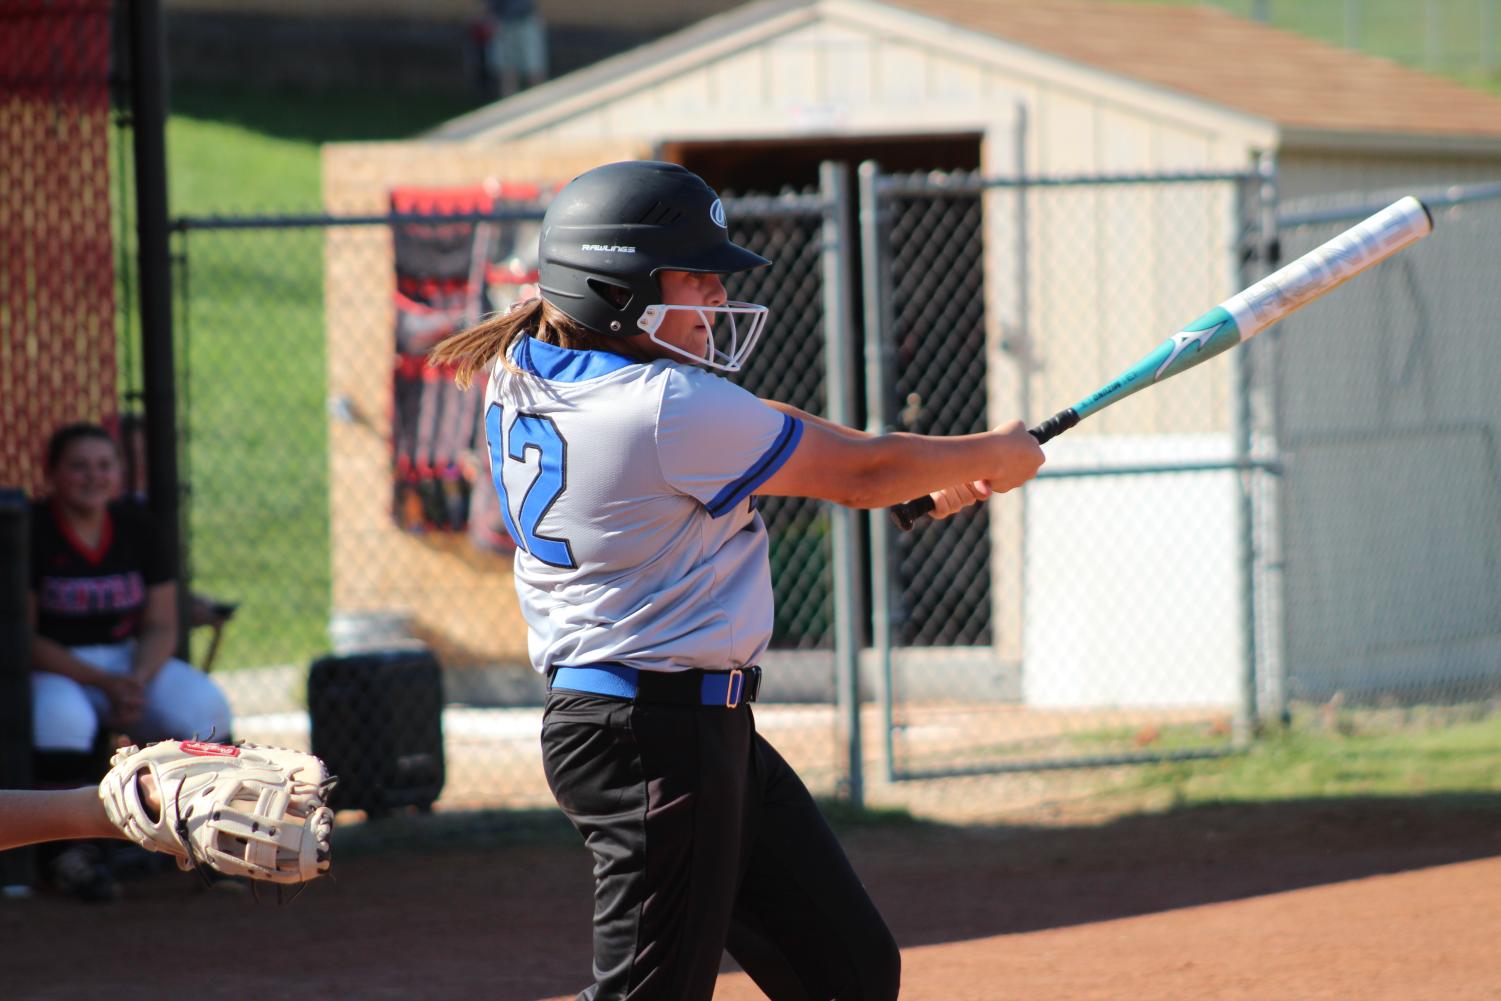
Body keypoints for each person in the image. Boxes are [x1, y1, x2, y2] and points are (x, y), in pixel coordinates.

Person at [429, 160, 1044, 1000]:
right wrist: (994, 453)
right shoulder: (661, 404)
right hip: (650, 732)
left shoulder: (527, 368)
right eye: (696, 276)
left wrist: (918, 473)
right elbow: (860, 472)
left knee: (847, 972)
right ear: (618, 289)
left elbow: (812, 449)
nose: (715, 298)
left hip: (675, 724)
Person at [29, 423, 234, 900]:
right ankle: (67, 855)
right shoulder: (33, 531)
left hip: (129, 662)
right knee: (61, 718)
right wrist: (105, 682)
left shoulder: (138, 526)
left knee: (204, 705)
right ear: (52, 473)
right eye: (78, 466)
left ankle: (211, 840)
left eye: (104, 466)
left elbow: (162, 624)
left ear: (120, 473)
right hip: (59, 666)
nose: (92, 477)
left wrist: (135, 680)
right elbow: (24, 638)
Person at [482, 0, 548, 99]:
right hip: (501, 20)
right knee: (507, 71)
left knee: (534, 69)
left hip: (526, 17)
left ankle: (540, 104)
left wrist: (537, 13)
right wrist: (489, 17)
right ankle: (509, 108)